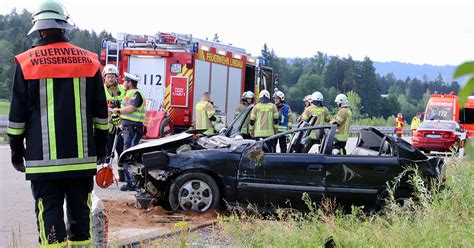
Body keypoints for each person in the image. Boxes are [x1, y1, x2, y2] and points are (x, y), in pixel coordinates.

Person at [7, 0, 108, 245]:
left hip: (43, 163)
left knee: (49, 214)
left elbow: (17, 117)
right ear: (64, 27)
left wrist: (16, 151)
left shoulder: (26, 62)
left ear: (39, 29)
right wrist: (101, 149)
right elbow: (101, 116)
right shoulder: (90, 61)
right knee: (80, 220)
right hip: (82, 160)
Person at [111, 72, 147, 191]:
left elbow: (131, 108)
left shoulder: (136, 94)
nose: (123, 82)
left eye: (124, 81)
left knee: (129, 155)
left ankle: (133, 183)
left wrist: (118, 111)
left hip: (133, 128)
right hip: (128, 128)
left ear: (130, 82)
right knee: (127, 155)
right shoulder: (129, 93)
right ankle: (131, 182)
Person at [103, 64, 126, 181]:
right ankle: (106, 175)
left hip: (121, 125)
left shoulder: (123, 90)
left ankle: (122, 176)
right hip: (108, 125)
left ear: (117, 77)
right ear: (104, 78)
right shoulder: (101, 89)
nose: (110, 79)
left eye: (112, 76)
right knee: (108, 150)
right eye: (108, 77)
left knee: (122, 151)